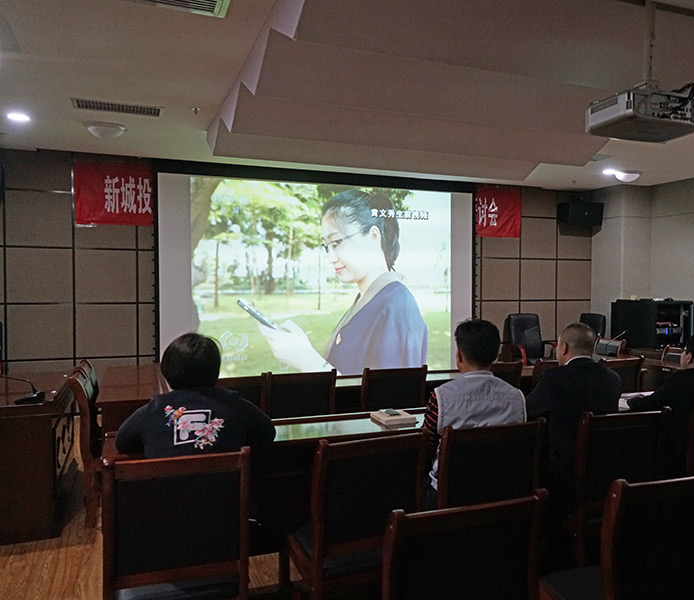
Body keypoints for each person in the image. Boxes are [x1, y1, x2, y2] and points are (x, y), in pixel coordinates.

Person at [259, 189, 428, 375]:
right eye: (327, 247)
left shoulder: (397, 306)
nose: (330, 258)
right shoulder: (371, 299)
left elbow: (390, 392)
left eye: (336, 243)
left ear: (373, 236)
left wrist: (307, 358)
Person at [116, 333, 276, 458]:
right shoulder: (233, 404)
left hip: (164, 491)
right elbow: (267, 433)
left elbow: (122, 442)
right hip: (225, 491)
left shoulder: (153, 409)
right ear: (215, 371)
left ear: (167, 370)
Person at [422, 318, 526, 508]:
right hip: (503, 492)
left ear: (459, 355)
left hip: (450, 495)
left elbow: (426, 447)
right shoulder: (517, 397)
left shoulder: (441, 396)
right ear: (495, 356)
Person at [526, 322, 621, 505]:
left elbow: (527, 410)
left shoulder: (554, 379)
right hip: (605, 470)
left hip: (564, 475)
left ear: (564, 347)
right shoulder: (613, 379)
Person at [627, 334, 694, 477]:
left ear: (689, 357)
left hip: (677, 457)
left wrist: (632, 401)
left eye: (684, 351)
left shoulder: (680, 381)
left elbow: (647, 405)